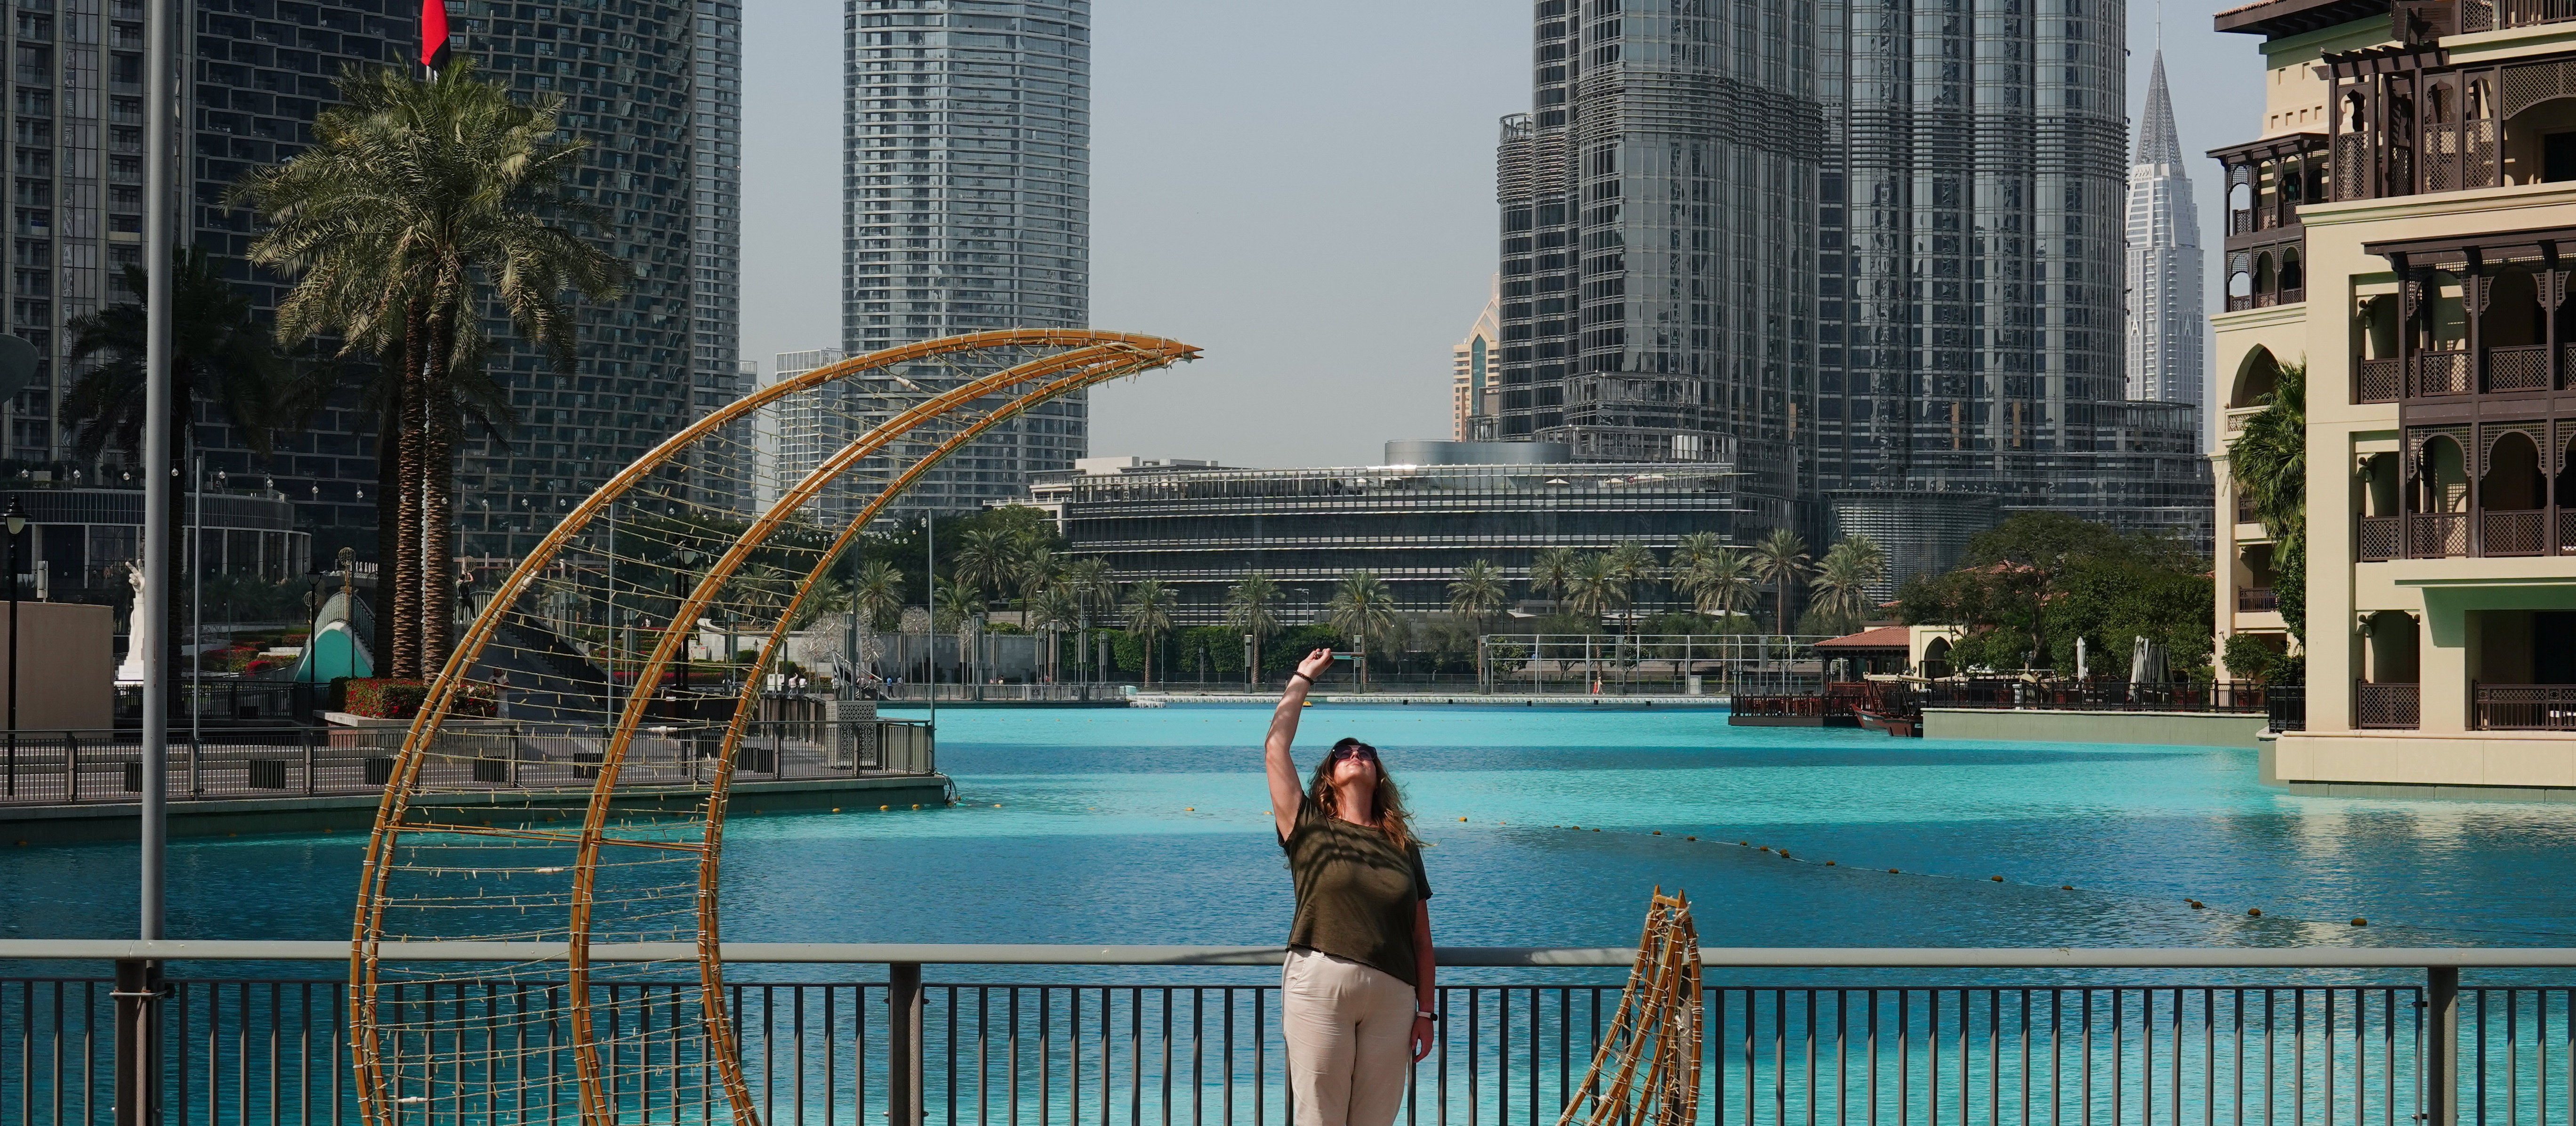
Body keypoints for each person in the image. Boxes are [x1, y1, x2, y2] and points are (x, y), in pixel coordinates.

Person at [1264, 647, 1434, 1126]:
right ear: (1329, 776)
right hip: (1320, 984)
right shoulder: (1307, 826)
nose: (1356, 754)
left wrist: (1426, 1013)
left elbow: (1421, 940)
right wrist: (1302, 678)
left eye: (1366, 753)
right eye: (1344, 751)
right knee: (1319, 1117)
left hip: (1393, 998)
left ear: (1378, 776)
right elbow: (1275, 748)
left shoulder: (1401, 845)